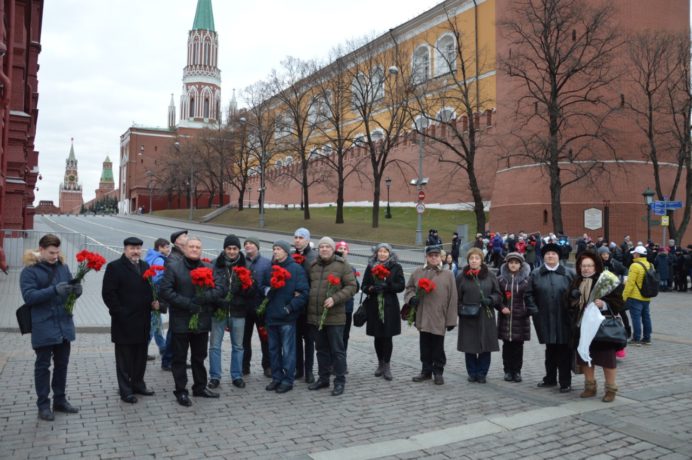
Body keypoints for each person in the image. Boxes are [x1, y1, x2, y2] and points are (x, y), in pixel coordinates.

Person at [20, 234, 82, 421]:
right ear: (41, 249)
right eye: (51, 252)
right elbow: (29, 297)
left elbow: (70, 289)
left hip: (64, 324)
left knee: (62, 365)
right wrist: (53, 290)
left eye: (57, 252)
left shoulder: (63, 267)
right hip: (44, 325)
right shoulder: (30, 271)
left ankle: (60, 400)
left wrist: (77, 291)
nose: (55, 256)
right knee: (43, 366)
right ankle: (43, 405)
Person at [159, 236, 224, 406]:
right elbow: (165, 291)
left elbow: (219, 289)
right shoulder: (174, 267)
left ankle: (200, 387)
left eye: (198, 247)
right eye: (192, 247)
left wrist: (202, 299)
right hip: (181, 320)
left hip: (201, 320)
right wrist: (188, 304)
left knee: (199, 356)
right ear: (185, 249)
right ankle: (181, 391)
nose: (195, 249)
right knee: (179, 358)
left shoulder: (209, 267)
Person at [102, 237, 158, 403]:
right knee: (124, 359)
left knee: (140, 357)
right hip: (124, 322)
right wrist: (119, 312)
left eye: (138, 248)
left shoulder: (145, 266)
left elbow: (149, 289)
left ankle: (138, 384)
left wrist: (154, 302)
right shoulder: (114, 267)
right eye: (132, 248)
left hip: (142, 320)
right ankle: (125, 390)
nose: (136, 251)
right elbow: (108, 294)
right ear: (125, 249)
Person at [567, 251, 625, 402]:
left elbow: (620, 302)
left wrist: (604, 304)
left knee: (607, 360)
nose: (586, 269)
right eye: (583, 266)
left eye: (589, 266)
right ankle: (590, 386)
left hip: (602, 329)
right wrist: (572, 299)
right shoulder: (576, 281)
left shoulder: (604, 280)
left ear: (595, 267)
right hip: (582, 328)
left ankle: (611, 389)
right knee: (586, 358)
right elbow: (567, 303)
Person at [306, 237, 358, 396]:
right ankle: (323, 379)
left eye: (327, 246)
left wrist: (335, 298)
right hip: (316, 316)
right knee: (321, 350)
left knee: (337, 351)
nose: (324, 249)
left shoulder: (342, 265)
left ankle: (339, 381)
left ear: (333, 248)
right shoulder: (313, 266)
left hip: (335, 317)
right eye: (321, 246)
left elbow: (352, 286)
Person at [525, 242, 575, 392]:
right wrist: (534, 311)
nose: (550, 256)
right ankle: (550, 378)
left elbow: (576, 293)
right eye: (547, 254)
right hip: (544, 318)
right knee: (550, 349)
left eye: (553, 254)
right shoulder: (536, 274)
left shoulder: (569, 273)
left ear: (558, 256)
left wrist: (573, 304)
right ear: (544, 257)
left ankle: (565, 382)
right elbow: (528, 294)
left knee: (564, 350)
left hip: (565, 318)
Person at [404, 245, 458, 385]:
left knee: (438, 347)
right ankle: (426, 371)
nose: (433, 258)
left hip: (439, 316)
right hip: (423, 315)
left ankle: (438, 371)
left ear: (441, 257)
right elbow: (409, 288)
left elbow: (453, 298)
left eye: (436, 255)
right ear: (426, 257)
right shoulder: (418, 272)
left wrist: (451, 320)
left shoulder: (448, 274)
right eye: (431, 255)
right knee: (425, 345)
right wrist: (411, 298)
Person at [264, 240, 309, 394]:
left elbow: (303, 293)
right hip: (271, 316)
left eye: (278, 249)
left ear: (285, 251)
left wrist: (289, 308)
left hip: (286, 318)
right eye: (274, 249)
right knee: (273, 350)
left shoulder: (296, 269)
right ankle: (276, 378)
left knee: (288, 351)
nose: (275, 251)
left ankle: (287, 380)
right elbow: (261, 286)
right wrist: (266, 291)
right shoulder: (270, 268)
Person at [209, 234, 253, 389]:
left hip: (238, 311)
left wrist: (242, 288)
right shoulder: (215, 264)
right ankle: (215, 376)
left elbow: (251, 290)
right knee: (215, 346)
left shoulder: (246, 265)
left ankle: (237, 375)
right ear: (224, 249)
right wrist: (218, 300)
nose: (232, 252)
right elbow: (210, 286)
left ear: (239, 249)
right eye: (229, 248)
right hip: (219, 311)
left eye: (235, 248)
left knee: (238, 346)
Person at [361, 243, 406, 381]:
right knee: (377, 336)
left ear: (389, 253)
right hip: (374, 306)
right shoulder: (371, 266)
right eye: (380, 251)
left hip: (389, 305)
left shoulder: (396, 267)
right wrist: (372, 289)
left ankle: (387, 364)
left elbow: (401, 285)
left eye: (385, 251)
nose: (382, 254)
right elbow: (364, 286)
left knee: (387, 336)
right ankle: (380, 362)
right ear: (376, 253)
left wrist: (388, 286)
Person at [456, 247, 501, 383]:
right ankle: (472, 372)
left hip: (486, 315)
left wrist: (491, 300)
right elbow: (456, 297)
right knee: (469, 346)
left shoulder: (490, 276)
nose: (474, 261)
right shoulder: (461, 277)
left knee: (485, 345)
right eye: (471, 258)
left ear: (481, 260)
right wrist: (460, 309)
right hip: (467, 316)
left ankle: (482, 373)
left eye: (477, 258)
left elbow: (498, 294)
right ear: (468, 260)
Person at [496, 252, 532, 383]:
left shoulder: (527, 280)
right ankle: (507, 371)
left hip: (520, 318)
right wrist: (501, 307)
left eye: (516, 263)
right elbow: (497, 297)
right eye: (511, 262)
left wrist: (526, 310)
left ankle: (517, 371)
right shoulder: (500, 279)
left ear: (520, 265)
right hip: (506, 318)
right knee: (507, 346)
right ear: (507, 264)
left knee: (518, 346)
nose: (513, 265)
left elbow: (531, 298)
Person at [242, 236, 272, 377]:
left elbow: (270, 284)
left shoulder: (266, 263)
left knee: (265, 339)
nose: (248, 246)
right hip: (245, 308)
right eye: (246, 244)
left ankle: (268, 366)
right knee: (244, 340)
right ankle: (244, 366)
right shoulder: (241, 262)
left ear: (257, 247)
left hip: (262, 309)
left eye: (251, 243)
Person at [161, 229, 188, 371]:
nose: (187, 238)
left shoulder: (182, 255)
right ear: (177, 241)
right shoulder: (173, 258)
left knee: (179, 332)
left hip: (183, 299)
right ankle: (168, 360)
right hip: (177, 300)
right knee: (174, 331)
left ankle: (177, 359)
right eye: (184, 236)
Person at [293, 227, 317, 384]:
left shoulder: (313, 257)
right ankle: (299, 370)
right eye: (295, 237)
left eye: (301, 237)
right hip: (295, 306)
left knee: (309, 340)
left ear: (307, 240)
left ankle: (309, 371)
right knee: (295, 340)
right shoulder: (291, 256)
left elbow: (315, 281)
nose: (297, 240)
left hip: (308, 306)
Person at [144, 238, 170, 360]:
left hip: (150, 293)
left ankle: (163, 347)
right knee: (153, 324)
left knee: (157, 322)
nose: (168, 249)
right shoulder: (159, 259)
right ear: (160, 247)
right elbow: (156, 277)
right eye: (166, 247)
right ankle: (142, 350)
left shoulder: (150, 256)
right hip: (156, 295)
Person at [623, 245, 653, 346]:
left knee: (636, 318)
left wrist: (624, 296)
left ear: (638, 254)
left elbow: (630, 283)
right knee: (646, 317)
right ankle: (647, 338)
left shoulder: (634, 266)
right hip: (647, 296)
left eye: (634, 253)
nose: (633, 255)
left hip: (635, 297)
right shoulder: (650, 265)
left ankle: (636, 338)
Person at [335, 241, 359, 363]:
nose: (342, 250)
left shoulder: (351, 268)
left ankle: (341, 361)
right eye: (340, 248)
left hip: (347, 307)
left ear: (347, 251)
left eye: (344, 249)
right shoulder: (332, 266)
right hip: (334, 307)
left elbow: (355, 288)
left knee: (344, 335)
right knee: (334, 336)